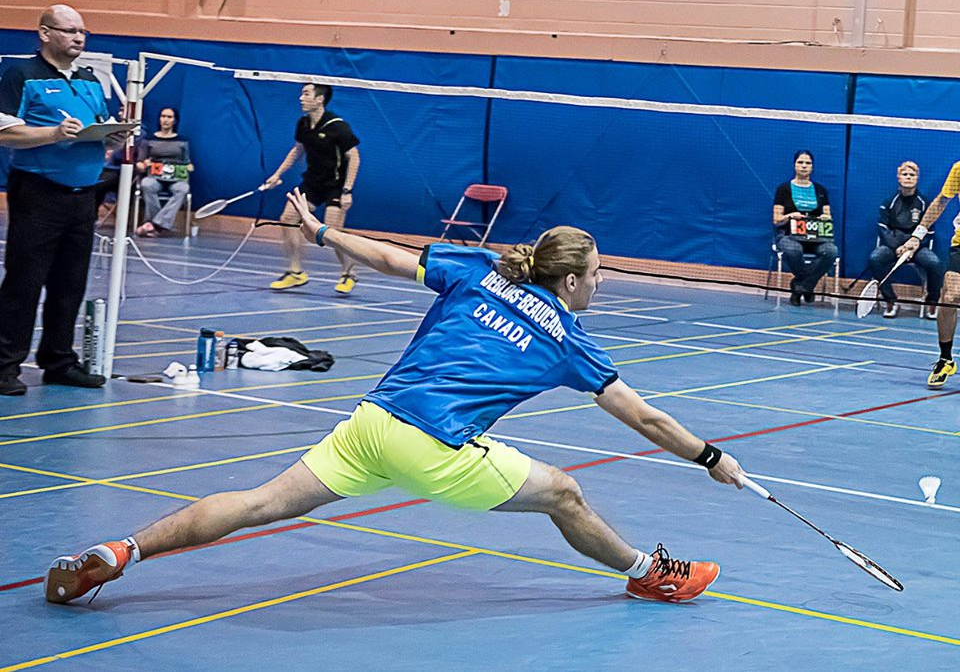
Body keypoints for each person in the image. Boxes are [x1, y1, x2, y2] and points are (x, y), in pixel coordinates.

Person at [45, 190, 745, 607]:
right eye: (597, 274)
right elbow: (644, 415)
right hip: (433, 444)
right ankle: (648, 574)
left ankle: (122, 548)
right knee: (563, 493)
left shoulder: (477, 270)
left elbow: (385, 257)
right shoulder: (569, 335)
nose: (602, 282)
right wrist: (711, 456)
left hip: (373, 423)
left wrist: (321, 234)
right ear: (569, 283)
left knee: (257, 502)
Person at [0, 4, 125, 397]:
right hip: (38, 193)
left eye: (83, 32)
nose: (78, 38)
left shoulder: (91, 79)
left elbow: (96, 130)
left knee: (70, 283)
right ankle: (4, 366)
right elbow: (6, 133)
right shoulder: (21, 75)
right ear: (44, 33)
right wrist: (53, 133)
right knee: (24, 282)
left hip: (83, 195)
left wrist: (112, 137)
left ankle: (59, 361)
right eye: (70, 31)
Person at [264, 83, 361, 295]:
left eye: (306, 94)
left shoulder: (338, 126)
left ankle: (348, 274)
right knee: (288, 218)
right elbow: (298, 149)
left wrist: (347, 191)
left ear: (319, 99)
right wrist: (276, 175)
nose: (301, 98)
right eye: (301, 93)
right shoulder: (303, 123)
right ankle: (296, 272)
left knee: (333, 232)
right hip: (312, 183)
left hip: (335, 186)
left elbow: (354, 156)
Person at [900, 159, 960, 388]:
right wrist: (917, 235)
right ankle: (945, 359)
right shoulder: (959, 169)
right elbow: (941, 201)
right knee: (950, 296)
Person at [869, 160, 942, 319]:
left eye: (912, 175)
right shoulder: (889, 201)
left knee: (935, 263)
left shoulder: (925, 203)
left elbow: (929, 231)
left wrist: (913, 247)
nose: (908, 177)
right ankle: (891, 301)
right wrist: (898, 246)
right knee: (875, 258)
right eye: (905, 174)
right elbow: (883, 228)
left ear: (917, 178)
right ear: (898, 178)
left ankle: (932, 302)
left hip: (917, 246)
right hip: (893, 245)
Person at [772, 150, 839, 306]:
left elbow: (828, 216)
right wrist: (791, 216)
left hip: (816, 238)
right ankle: (807, 286)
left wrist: (824, 218)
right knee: (794, 250)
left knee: (831, 251)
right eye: (800, 162)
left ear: (812, 167)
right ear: (794, 165)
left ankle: (801, 286)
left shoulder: (821, 190)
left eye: (807, 163)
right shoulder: (783, 189)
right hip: (789, 235)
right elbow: (776, 219)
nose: (804, 166)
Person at [135, 107, 192, 237]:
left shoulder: (182, 141)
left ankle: (154, 224)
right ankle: (158, 226)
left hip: (176, 179)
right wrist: (143, 165)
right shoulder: (149, 139)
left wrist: (189, 166)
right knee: (146, 184)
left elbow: (187, 161)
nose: (165, 120)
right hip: (154, 177)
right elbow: (140, 162)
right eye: (163, 116)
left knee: (183, 188)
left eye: (169, 117)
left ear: (175, 121)